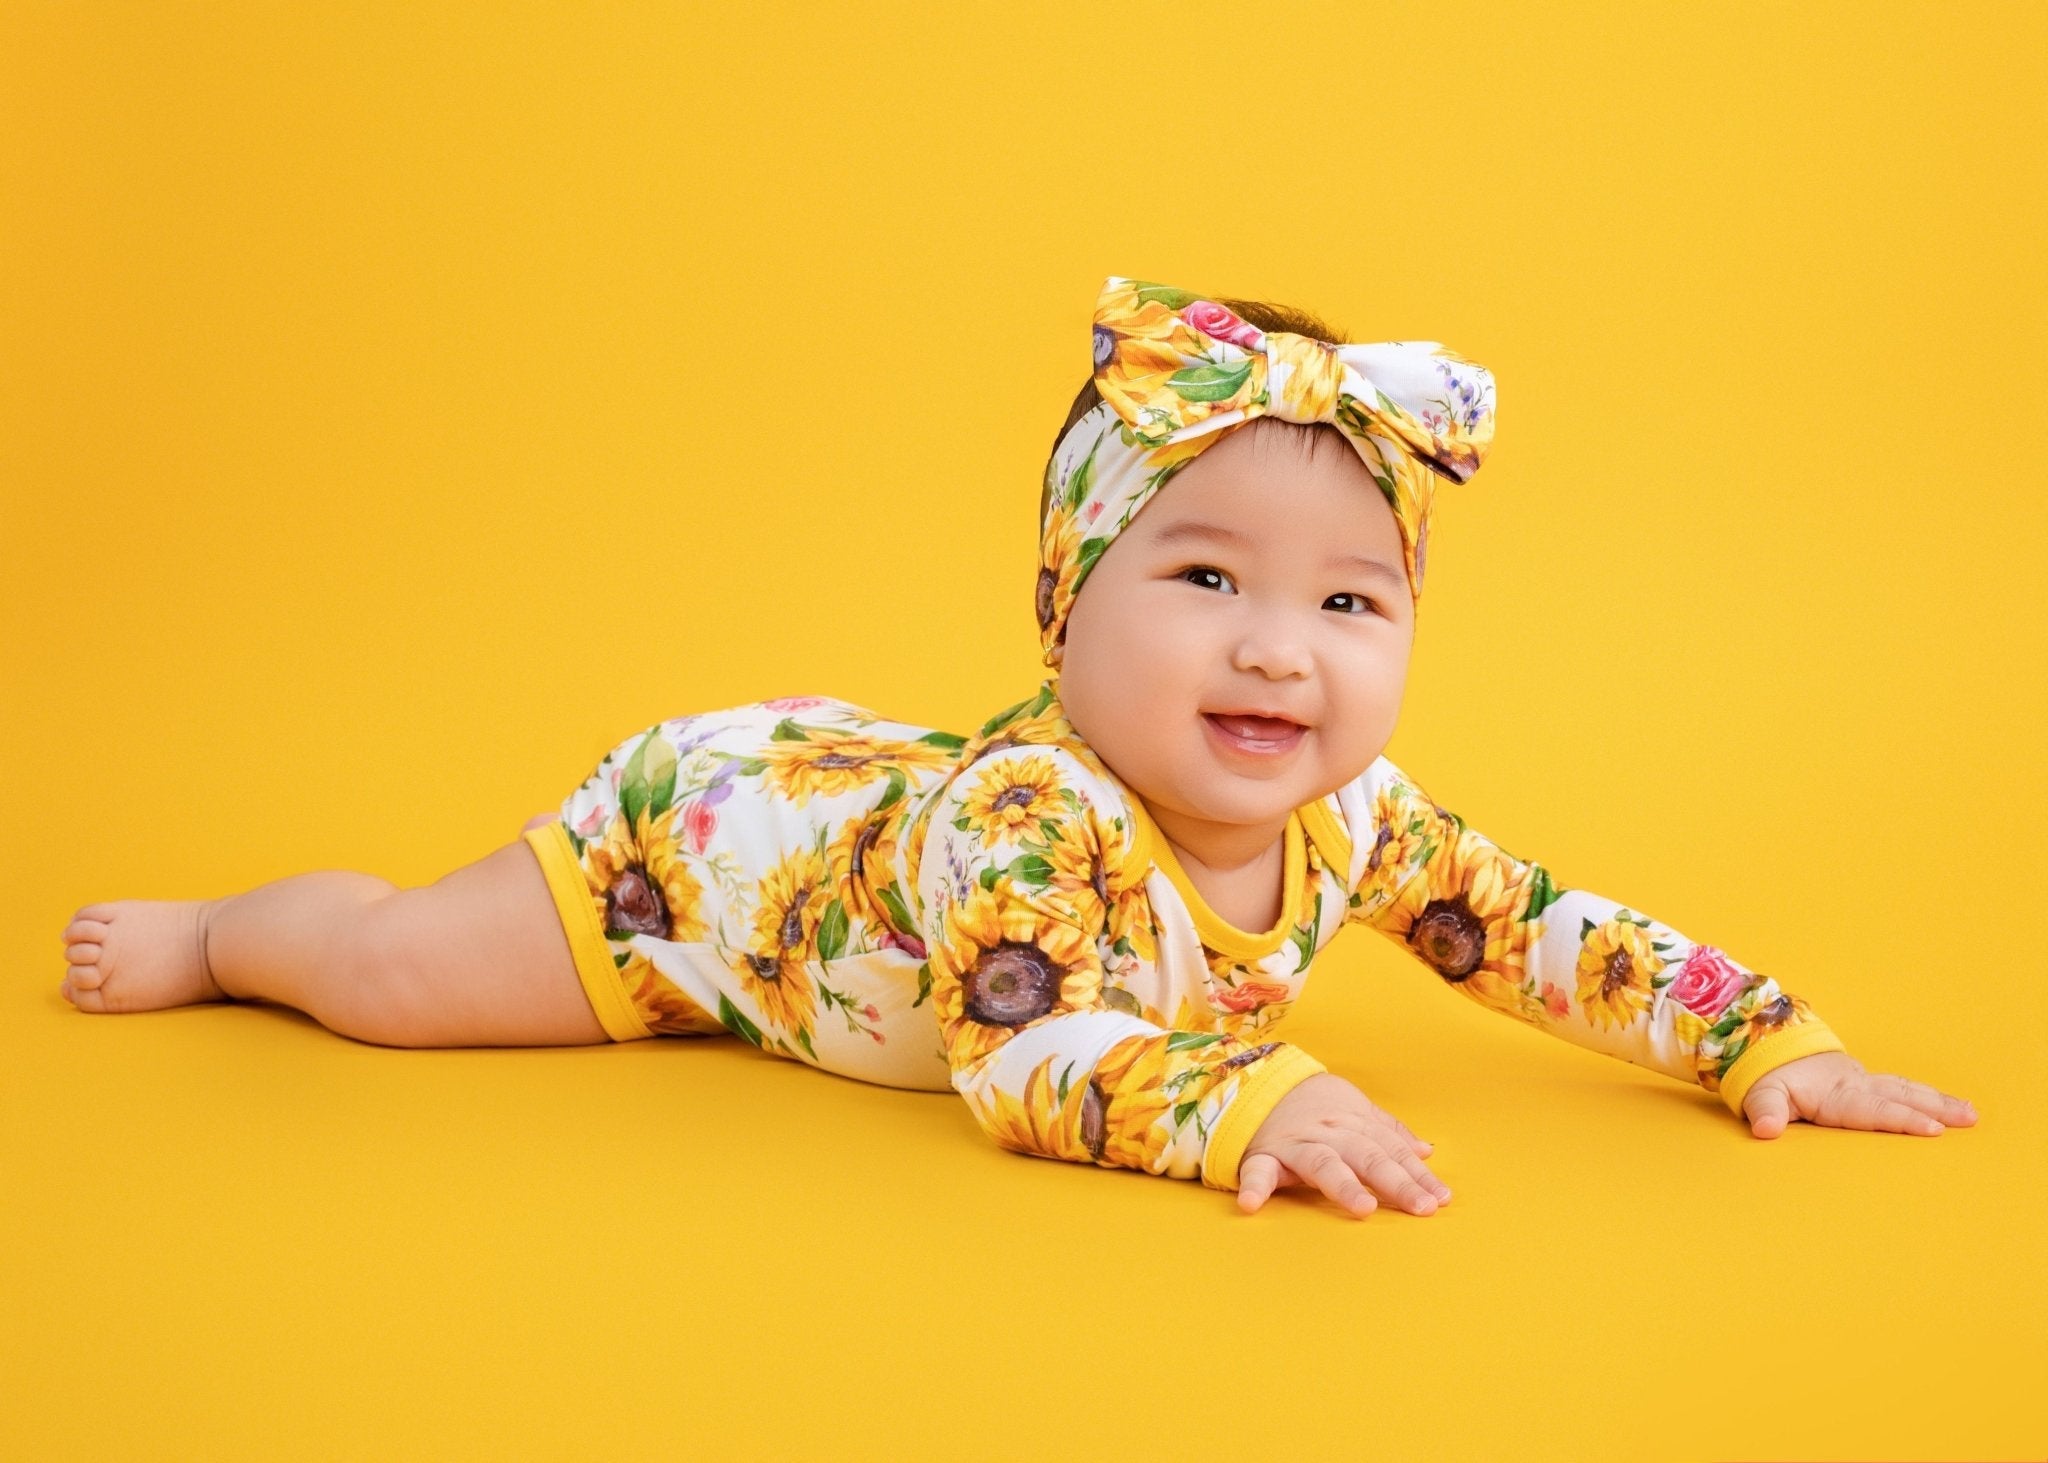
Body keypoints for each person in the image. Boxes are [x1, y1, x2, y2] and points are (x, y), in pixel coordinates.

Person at [56, 274, 1977, 1219]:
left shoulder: (1353, 819)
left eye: (1347, 606)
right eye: (1204, 574)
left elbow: (1539, 926)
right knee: (398, 981)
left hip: (829, 822)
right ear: (1063, 612)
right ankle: (235, 937)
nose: (1274, 653)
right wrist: (1249, 1101)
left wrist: (1756, 1039)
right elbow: (1019, 1047)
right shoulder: (1031, 816)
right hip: (706, 868)